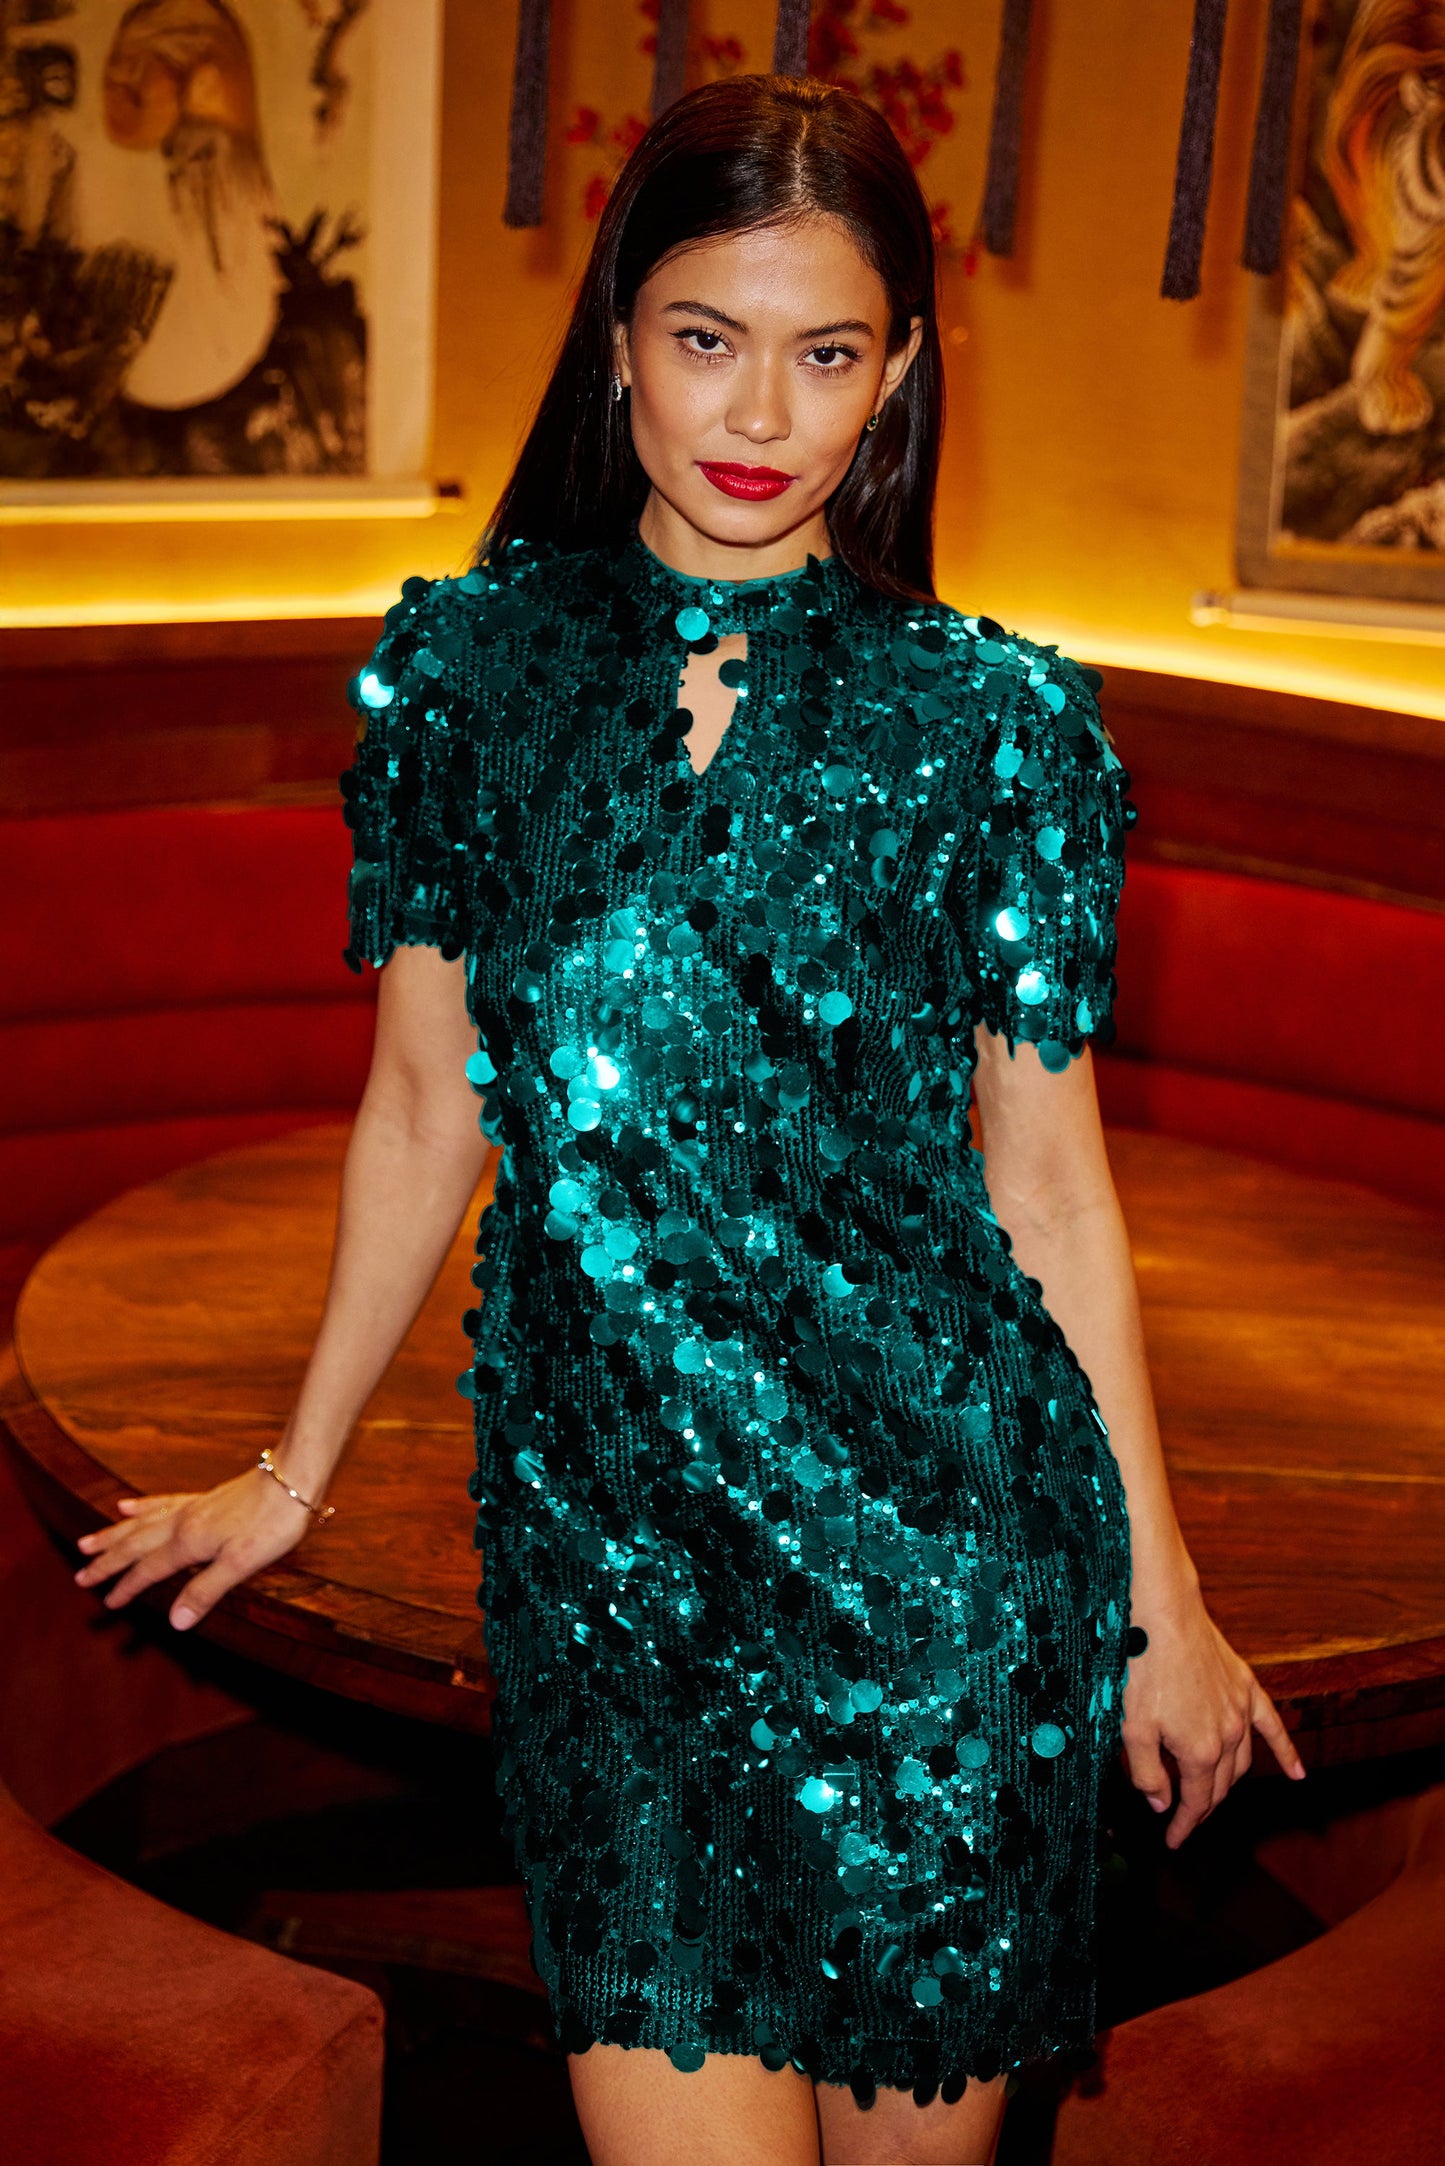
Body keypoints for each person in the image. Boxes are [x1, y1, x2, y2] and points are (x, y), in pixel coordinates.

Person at [74, 73, 1305, 2166]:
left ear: (897, 374)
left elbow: (1050, 1197)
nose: (758, 411)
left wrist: (1156, 1611)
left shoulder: (996, 726)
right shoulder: (469, 677)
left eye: (826, 355)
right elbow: (422, 1109)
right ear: (620, 340)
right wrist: (297, 1466)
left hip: (941, 1575)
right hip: (613, 1587)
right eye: (707, 338)